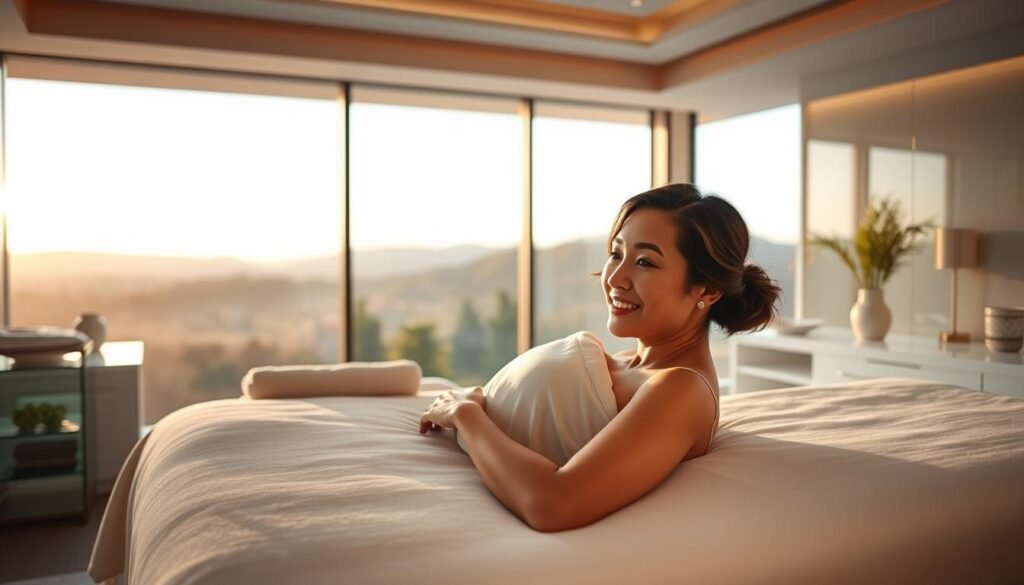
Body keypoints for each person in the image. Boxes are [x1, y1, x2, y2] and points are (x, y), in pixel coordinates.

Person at [418, 183, 781, 532]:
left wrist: (466, 415)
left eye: (645, 262)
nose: (615, 278)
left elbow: (554, 504)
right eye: (616, 254)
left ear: (708, 289)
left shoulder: (681, 388)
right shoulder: (634, 362)